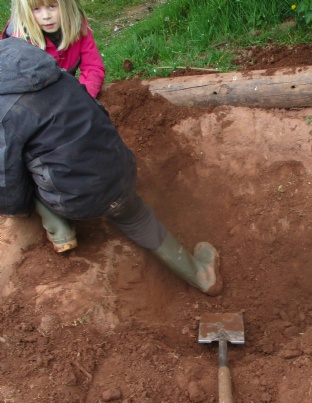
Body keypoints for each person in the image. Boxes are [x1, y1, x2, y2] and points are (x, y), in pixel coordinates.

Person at [0, 36, 223, 297]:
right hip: (119, 169)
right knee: (136, 218)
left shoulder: (5, 110)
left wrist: (18, 210)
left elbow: (7, 177)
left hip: (73, 199)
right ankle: (201, 273)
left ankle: (61, 230)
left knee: (20, 169)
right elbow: (99, 112)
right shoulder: (55, 73)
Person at [2, 0, 104, 98]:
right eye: (36, 9)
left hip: (65, 90)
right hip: (34, 97)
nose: (46, 16)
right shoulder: (20, 44)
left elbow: (92, 67)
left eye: (52, 6)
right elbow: (23, 93)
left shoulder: (78, 27)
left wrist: (83, 97)